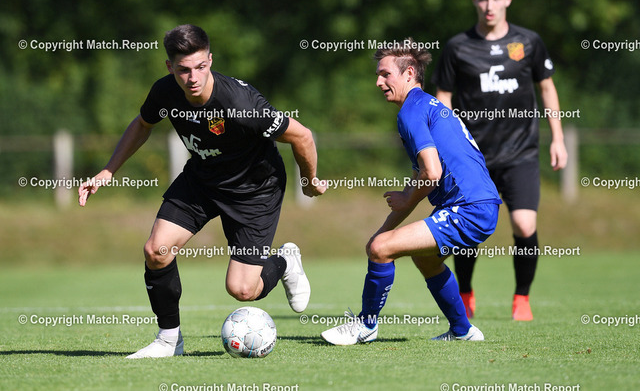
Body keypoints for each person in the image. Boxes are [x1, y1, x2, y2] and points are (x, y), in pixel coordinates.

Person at [78, 24, 326, 358]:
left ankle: (284, 260)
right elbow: (142, 124)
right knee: (156, 251)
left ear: (210, 60)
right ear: (170, 67)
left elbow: (302, 136)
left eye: (200, 67)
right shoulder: (165, 92)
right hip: (203, 180)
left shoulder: (240, 104)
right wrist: (109, 170)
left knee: (242, 290)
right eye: (183, 70)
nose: (192, 77)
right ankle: (169, 341)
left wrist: (309, 181)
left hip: (254, 191)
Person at [321, 39, 501, 345]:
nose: (378, 82)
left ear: (409, 73)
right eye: (378, 75)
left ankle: (365, 327)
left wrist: (382, 240)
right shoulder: (427, 106)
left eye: (385, 74)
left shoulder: (411, 111)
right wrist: (381, 234)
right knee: (423, 259)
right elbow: (420, 178)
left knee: (383, 248)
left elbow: (432, 173)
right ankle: (463, 331)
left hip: (469, 208)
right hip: (478, 205)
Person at [432, 0, 568, 321]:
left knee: (524, 225)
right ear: (474, 0)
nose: (489, 5)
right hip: (473, 157)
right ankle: (465, 292)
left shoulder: (529, 42)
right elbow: (443, 97)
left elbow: (547, 87)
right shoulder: (457, 47)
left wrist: (558, 138)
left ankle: (521, 298)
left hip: (521, 153)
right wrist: (447, 147)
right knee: (469, 229)